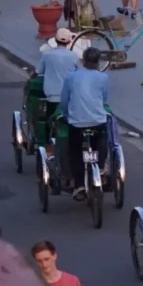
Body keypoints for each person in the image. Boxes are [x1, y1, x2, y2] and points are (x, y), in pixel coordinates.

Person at [58, 54, 113, 196]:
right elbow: (104, 98)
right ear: (98, 62)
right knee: (101, 139)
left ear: (83, 61)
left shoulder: (71, 77)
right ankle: (100, 166)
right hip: (97, 120)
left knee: (75, 152)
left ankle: (79, 185)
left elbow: (64, 100)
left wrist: (65, 114)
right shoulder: (103, 77)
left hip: (77, 122)